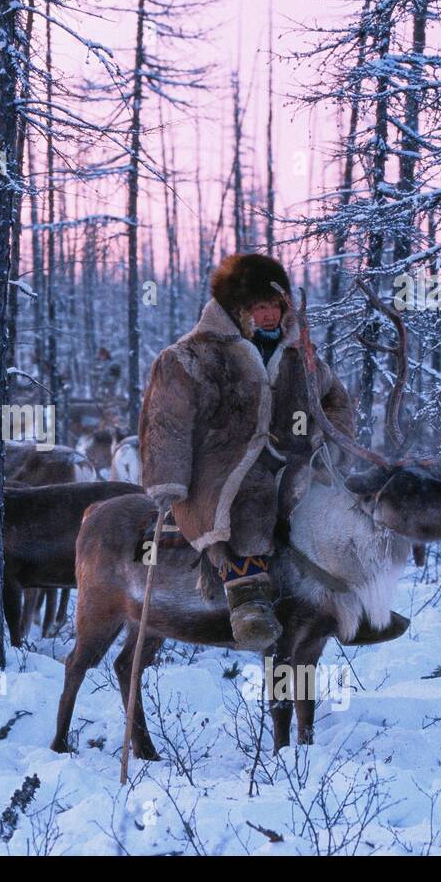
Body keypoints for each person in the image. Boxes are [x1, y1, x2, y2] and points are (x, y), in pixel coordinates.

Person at [138, 253, 355, 650]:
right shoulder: (193, 356)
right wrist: (167, 479)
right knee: (254, 493)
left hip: (290, 459)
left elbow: (336, 401)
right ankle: (248, 599)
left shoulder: (300, 356)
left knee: (333, 505)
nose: (270, 315)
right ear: (237, 309)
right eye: (260, 307)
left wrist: (330, 447)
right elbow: (168, 420)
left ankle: (342, 606)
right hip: (220, 468)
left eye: (275, 306)